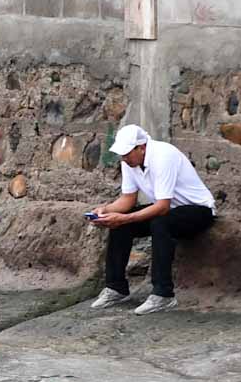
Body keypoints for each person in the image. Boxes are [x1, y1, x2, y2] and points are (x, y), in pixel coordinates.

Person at [87, 124, 217, 315]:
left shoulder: (163, 155)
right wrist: (105, 210)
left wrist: (124, 218)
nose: (123, 158)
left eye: (127, 153)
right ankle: (116, 288)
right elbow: (128, 199)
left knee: (159, 223)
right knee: (119, 225)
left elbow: (162, 206)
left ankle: (163, 295)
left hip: (199, 210)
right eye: (122, 154)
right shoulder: (129, 162)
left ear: (142, 147)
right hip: (170, 209)